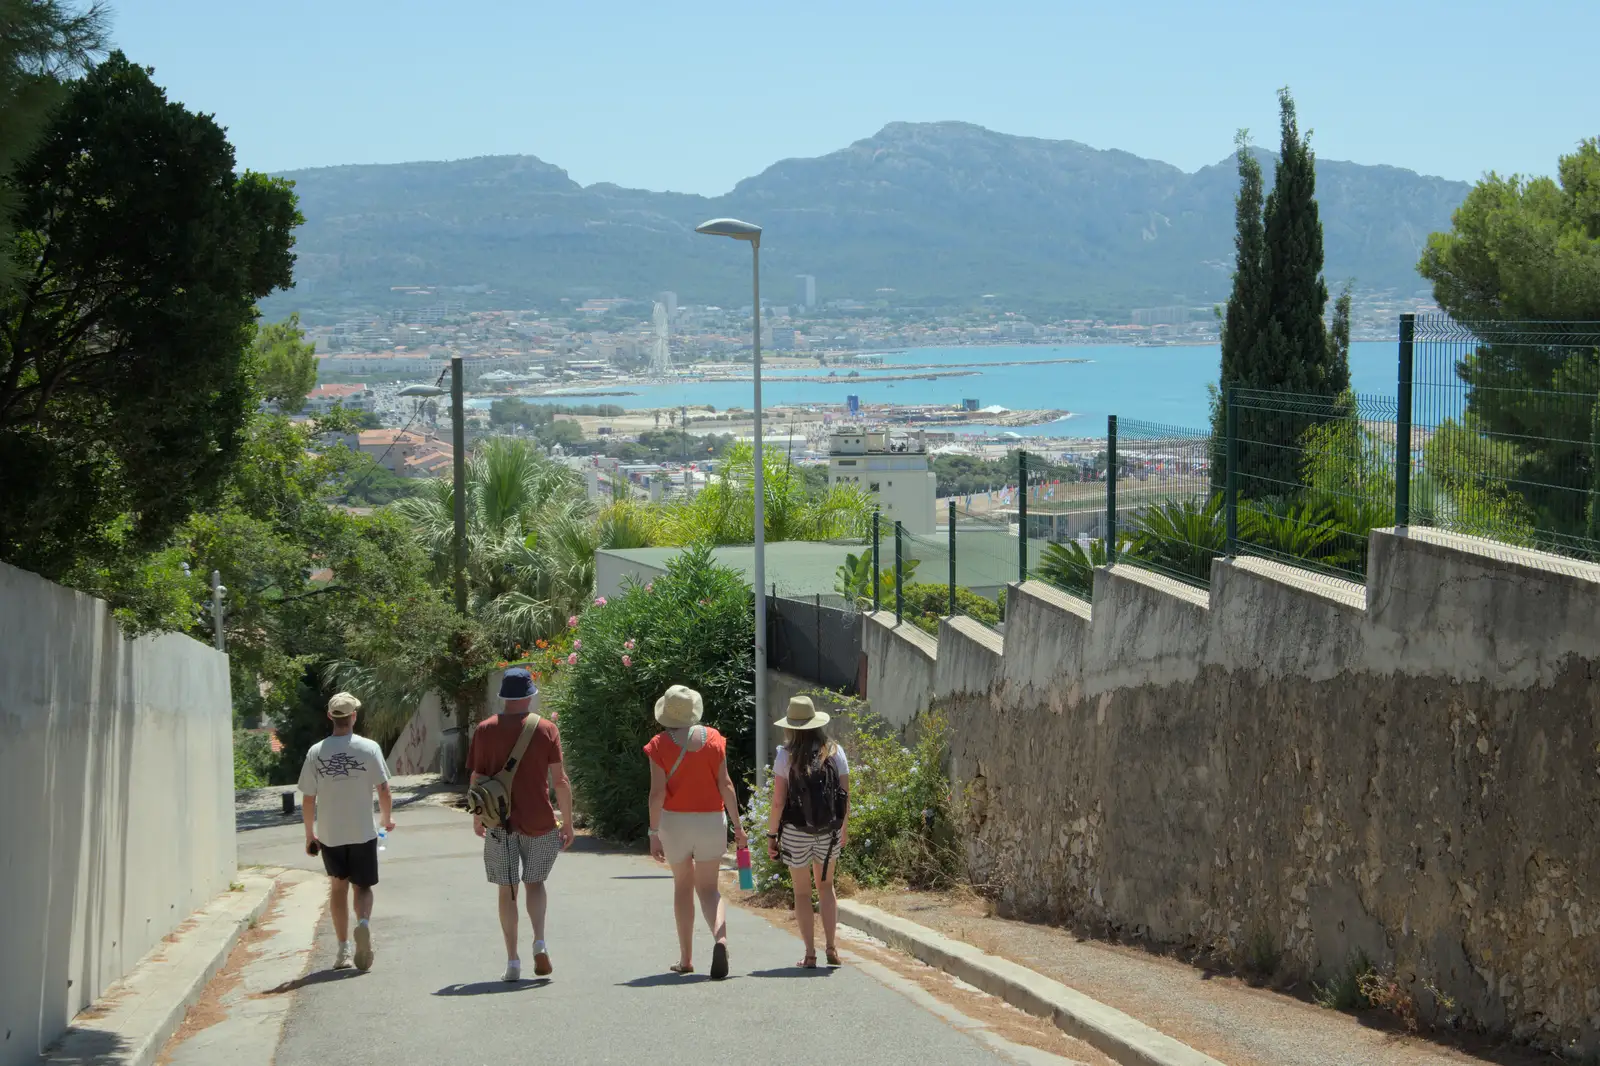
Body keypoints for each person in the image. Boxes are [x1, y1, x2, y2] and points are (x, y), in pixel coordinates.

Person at [468, 666, 575, 982]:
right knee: (535, 883)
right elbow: (560, 780)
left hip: (498, 822)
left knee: (507, 889)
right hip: (540, 820)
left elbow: (476, 778)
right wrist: (567, 823)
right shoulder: (546, 730)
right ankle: (539, 941)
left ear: (503, 697)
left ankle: (513, 961)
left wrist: (477, 817)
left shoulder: (485, 730)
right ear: (530, 695)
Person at [644, 684, 747, 979]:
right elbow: (726, 786)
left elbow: (656, 795)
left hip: (675, 823)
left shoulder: (659, 744)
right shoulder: (714, 739)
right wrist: (738, 827)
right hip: (711, 821)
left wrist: (653, 832)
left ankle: (686, 959)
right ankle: (721, 939)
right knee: (709, 888)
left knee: (683, 886)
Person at [298, 692, 394, 972]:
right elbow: (384, 789)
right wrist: (386, 819)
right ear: (354, 716)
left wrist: (309, 835)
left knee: (338, 887)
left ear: (330, 716)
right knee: (362, 887)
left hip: (330, 834)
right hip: (363, 831)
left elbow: (307, 798)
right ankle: (363, 922)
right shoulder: (369, 748)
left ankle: (342, 950)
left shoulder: (316, 752)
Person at [765, 695, 850, 968]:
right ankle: (832, 948)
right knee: (826, 887)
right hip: (828, 831)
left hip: (795, 832)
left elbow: (778, 801)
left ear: (791, 726)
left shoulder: (785, 754)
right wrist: (843, 829)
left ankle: (810, 954)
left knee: (802, 893)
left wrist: (771, 835)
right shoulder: (834, 751)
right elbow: (845, 796)